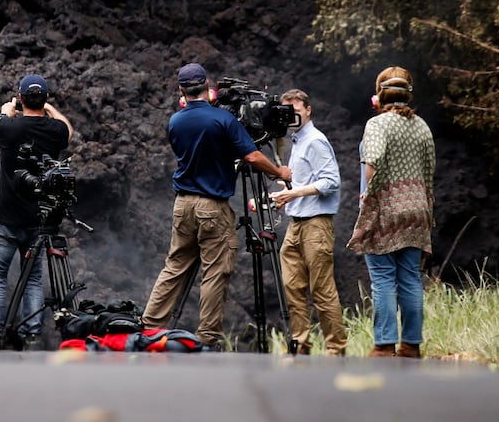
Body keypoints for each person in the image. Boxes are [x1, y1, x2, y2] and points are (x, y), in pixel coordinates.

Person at [141, 63, 291, 350]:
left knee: (174, 266)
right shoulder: (223, 120)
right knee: (214, 271)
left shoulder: (175, 122)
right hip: (212, 206)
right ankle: (208, 337)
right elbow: (252, 157)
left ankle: (149, 327)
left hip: (182, 205)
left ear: (181, 90)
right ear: (208, 87)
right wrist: (278, 173)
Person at [0, 72, 74, 351]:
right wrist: (49, 109)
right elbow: (67, 130)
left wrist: (5, 113)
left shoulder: (10, 127)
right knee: (32, 278)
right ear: (45, 99)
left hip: (7, 217)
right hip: (40, 219)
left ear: (20, 98)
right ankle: (32, 337)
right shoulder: (54, 129)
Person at [347, 66, 435, 358]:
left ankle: (384, 345)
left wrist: (370, 195)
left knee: (383, 277)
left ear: (379, 96)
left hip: (387, 207)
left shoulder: (379, 125)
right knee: (410, 277)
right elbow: (429, 171)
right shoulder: (421, 125)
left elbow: (371, 161)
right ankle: (411, 344)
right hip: (417, 208)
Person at [270, 88, 348, 356]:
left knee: (322, 290)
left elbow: (331, 181)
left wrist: (294, 192)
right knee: (293, 286)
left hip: (316, 224)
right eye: (287, 110)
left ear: (308, 110)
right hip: (297, 223)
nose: (292, 114)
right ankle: (300, 346)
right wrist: (286, 190)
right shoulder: (298, 141)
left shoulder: (315, 140)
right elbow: (309, 180)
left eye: (296, 109)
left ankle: (336, 350)